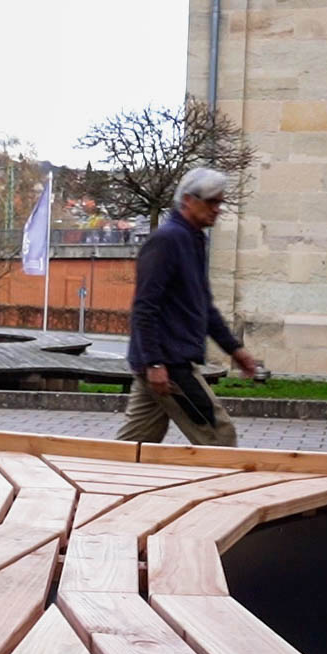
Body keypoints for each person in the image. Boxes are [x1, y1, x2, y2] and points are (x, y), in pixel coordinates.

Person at [117, 167, 259, 447]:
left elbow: (204, 308)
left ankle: (98, 486)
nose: (217, 209)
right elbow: (145, 308)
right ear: (188, 201)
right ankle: (220, 492)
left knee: (135, 447)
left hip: (163, 365)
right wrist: (154, 363)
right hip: (170, 366)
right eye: (211, 202)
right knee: (219, 437)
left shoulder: (193, 241)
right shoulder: (167, 241)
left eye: (220, 202)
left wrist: (235, 350)